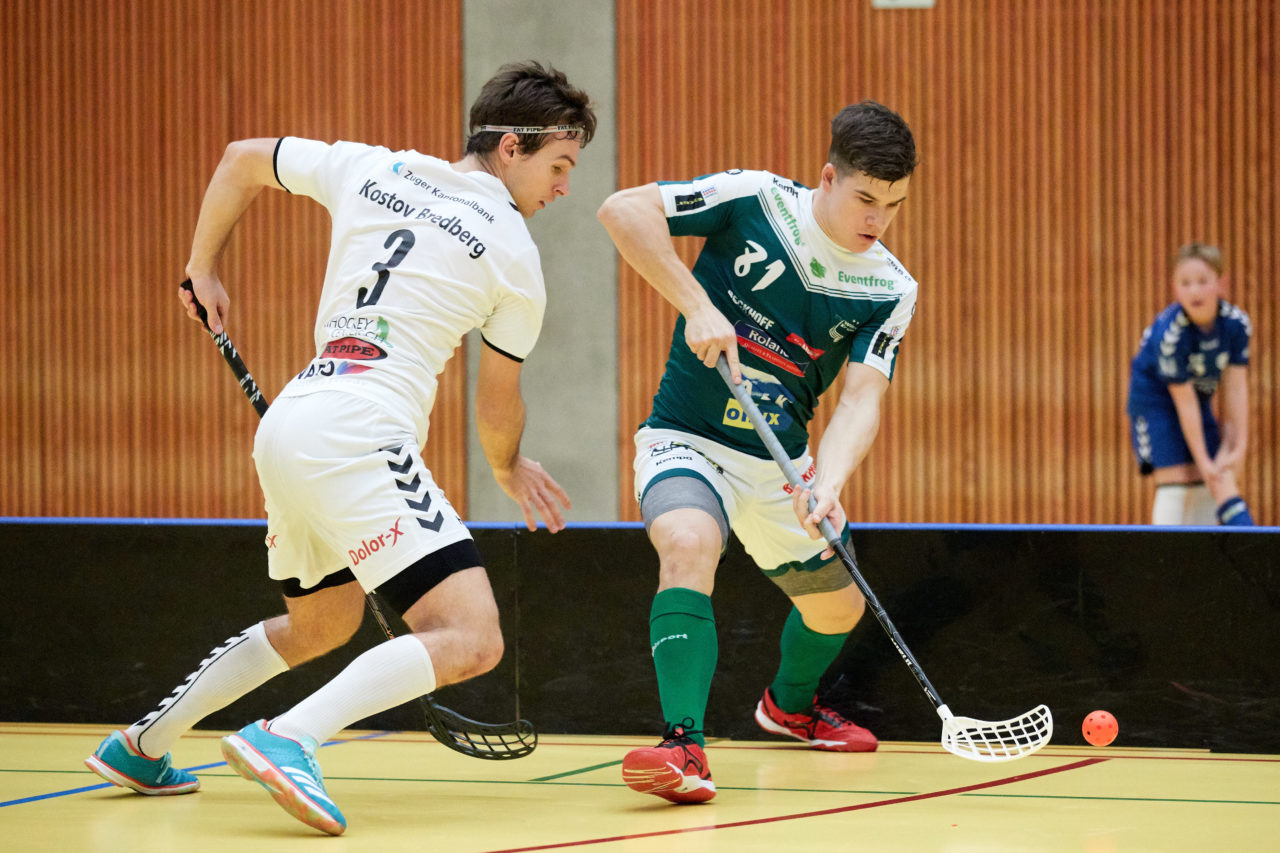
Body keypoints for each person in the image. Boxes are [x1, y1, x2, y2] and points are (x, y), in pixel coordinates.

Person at [84, 61, 596, 835]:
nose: (563, 187)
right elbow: (497, 408)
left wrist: (201, 268)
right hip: (362, 431)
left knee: (320, 623)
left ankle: (141, 744)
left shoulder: (375, 166)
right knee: (470, 636)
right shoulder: (515, 256)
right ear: (513, 146)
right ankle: (287, 737)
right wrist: (506, 467)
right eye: (559, 166)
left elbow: (239, 160)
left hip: (292, 422)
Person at [597, 100, 918, 804]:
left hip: (781, 463)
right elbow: (624, 210)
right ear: (827, 177)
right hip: (687, 437)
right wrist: (695, 303)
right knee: (687, 539)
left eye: (893, 205)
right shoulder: (756, 200)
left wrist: (827, 481)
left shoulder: (890, 287)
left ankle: (789, 707)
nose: (878, 219)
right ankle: (683, 743)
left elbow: (862, 397)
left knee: (837, 609)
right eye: (865, 198)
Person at [1126, 242, 1254, 526]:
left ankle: (1201, 563)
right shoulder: (1171, 334)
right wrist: (1205, 461)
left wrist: (1237, 447)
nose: (1194, 291)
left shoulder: (1236, 325)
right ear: (1175, 288)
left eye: (1202, 281)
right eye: (1185, 283)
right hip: (1156, 403)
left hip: (1199, 400)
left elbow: (1236, 390)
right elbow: (1183, 403)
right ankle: (1164, 561)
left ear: (1221, 282)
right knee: (1177, 476)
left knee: (1213, 479)